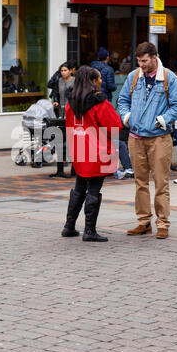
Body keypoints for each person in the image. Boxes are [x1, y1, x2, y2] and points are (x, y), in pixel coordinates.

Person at [118, 42, 177, 239]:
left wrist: (163, 119)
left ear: (154, 57)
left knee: (160, 182)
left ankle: (163, 223)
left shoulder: (168, 78)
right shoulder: (133, 76)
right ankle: (143, 222)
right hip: (136, 137)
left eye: (144, 61)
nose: (141, 65)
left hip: (159, 138)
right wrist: (127, 117)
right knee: (140, 182)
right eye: (138, 61)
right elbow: (122, 101)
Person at [62, 66, 122, 242]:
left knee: (80, 187)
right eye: (99, 78)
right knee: (94, 189)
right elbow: (115, 127)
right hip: (98, 151)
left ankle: (69, 226)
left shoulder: (70, 102)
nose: (101, 81)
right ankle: (89, 230)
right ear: (92, 81)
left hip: (79, 149)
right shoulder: (100, 103)